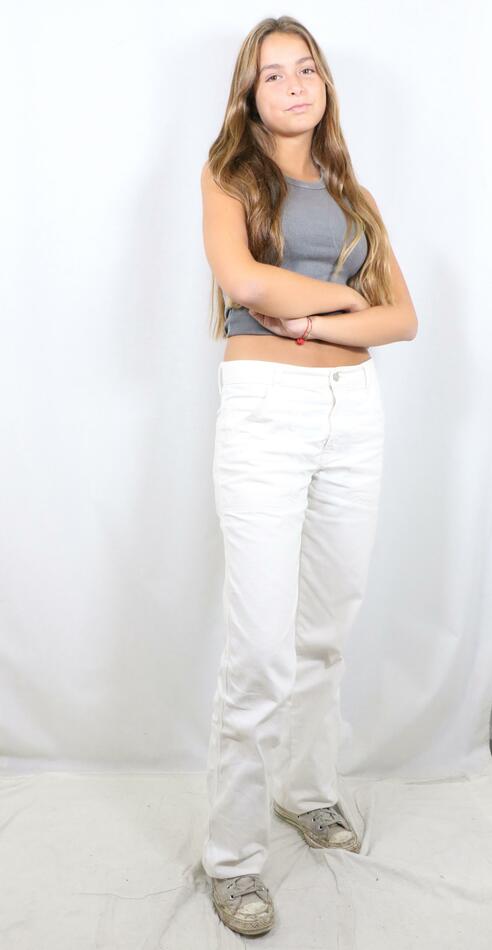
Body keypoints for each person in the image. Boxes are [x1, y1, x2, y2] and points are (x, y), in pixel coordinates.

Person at [200, 15, 417, 938]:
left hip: (353, 414)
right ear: (250, 97)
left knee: (328, 629)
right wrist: (343, 298)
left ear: (324, 84)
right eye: (273, 75)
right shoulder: (230, 176)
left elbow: (402, 319)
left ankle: (306, 789)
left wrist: (318, 318)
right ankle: (233, 859)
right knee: (260, 651)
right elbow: (243, 282)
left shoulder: (353, 192)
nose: (294, 86)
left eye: (307, 70)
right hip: (265, 413)